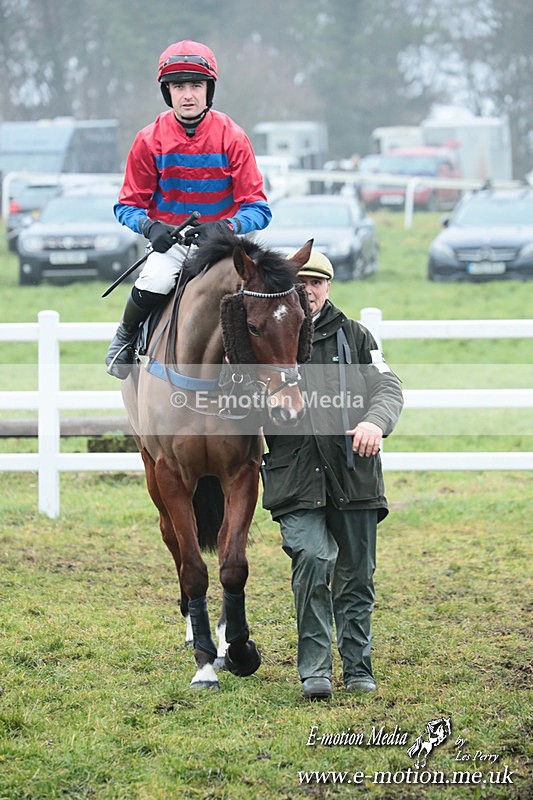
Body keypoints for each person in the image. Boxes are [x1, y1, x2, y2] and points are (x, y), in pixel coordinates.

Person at [261, 249, 403, 700]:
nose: (308, 290)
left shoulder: (356, 337)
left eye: (316, 282)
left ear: (328, 286)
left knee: (356, 576)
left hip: (353, 477)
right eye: (299, 282)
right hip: (295, 478)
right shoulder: (265, 337)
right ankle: (315, 670)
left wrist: (373, 423)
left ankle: (359, 667)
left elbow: (388, 386)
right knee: (314, 558)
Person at [106, 40, 271, 378]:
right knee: (155, 279)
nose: (188, 94)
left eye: (196, 85)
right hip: (174, 246)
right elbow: (127, 205)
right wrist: (151, 228)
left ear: (208, 89)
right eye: (178, 86)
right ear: (168, 92)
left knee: (265, 293)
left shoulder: (233, 137)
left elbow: (259, 209)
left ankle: (274, 369)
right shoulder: (148, 140)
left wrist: (227, 227)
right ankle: (124, 340)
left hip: (224, 248)